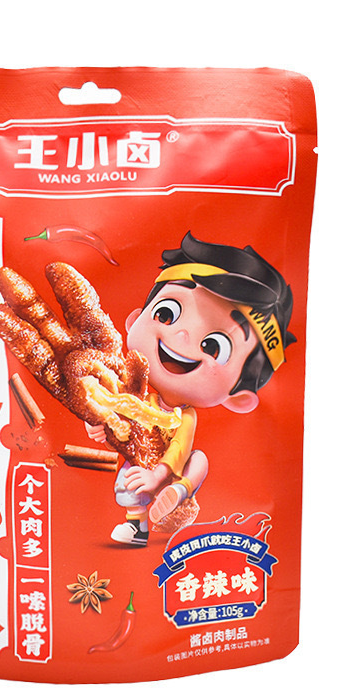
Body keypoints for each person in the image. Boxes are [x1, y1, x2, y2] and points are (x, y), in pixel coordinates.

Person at [86, 231, 296, 546]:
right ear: (134, 321)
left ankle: (181, 490)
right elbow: (112, 417)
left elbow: (179, 449)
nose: (183, 336)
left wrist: (160, 476)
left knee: (198, 460)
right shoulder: (133, 397)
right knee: (129, 479)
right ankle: (137, 525)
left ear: (239, 398)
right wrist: (97, 423)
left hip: (170, 471)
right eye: (166, 314)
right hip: (138, 465)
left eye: (214, 346)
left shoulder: (184, 416)